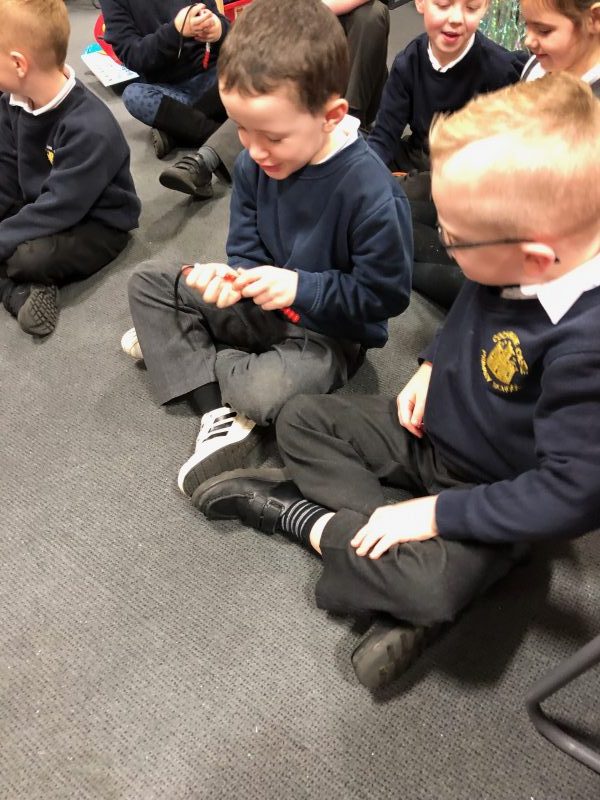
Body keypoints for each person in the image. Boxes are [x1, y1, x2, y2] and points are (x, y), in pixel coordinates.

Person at [191, 74, 600, 689]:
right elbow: (475, 301)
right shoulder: (519, 260)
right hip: (431, 431)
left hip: (491, 488)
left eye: (455, 239)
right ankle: (388, 559)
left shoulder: (587, 345)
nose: (444, 246)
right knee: (302, 417)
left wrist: (437, 514)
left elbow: (572, 495)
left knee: (432, 586)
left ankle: (304, 519)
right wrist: (432, 364)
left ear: (537, 258)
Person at [122, 0, 412, 501]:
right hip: (261, 307)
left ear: (332, 116)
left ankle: (194, 356)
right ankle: (217, 406)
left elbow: (384, 298)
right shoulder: (257, 162)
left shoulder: (372, 193)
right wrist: (232, 279)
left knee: (263, 392)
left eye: (272, 136)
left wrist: (301, 287)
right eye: (241, 129)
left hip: (328, 334)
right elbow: (246, 248)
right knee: (149, 283)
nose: (253, 150)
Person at [415, 0, 600, 310]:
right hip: (484, 202)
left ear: (594, 19)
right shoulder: (537, 65)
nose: (528, 40)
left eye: (544, 30)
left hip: (519, 249)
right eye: (526, 25)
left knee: (401, 248)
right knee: (395, 210)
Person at [0, 0, 140, 337]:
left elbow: (60, 208)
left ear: (19, 63)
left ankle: (17, 292)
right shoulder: (11, 103)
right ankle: (21, 288)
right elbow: (5, 172)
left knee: (28, 258)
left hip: (96, 223)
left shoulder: (90, 128)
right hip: (39, 203)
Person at [158, 0, 391, 199]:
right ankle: (204, 157)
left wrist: (304, 11)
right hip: (303, 65)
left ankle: (351, 131)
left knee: (371, 14)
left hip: (354, 80)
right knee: (261, 84)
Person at [99, 1, 229, 157]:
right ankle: (228, 138)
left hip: (212, 76)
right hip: (169, 90)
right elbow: (132, 55)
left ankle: (176, 133)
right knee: (133, 96)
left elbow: (226, 27)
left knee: (245, 66)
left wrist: (219, 29)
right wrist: (175, 32)